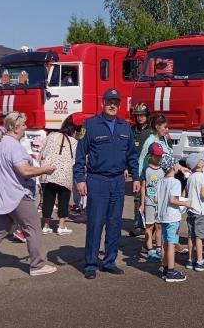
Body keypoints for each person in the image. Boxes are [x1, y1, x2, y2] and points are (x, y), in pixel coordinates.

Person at [0, 112, 58, 280]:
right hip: (16, 194)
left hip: (0, 195)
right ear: (16, 128)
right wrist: (45, 169)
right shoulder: (13, 146)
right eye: (23, 125)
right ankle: (37, 265)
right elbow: (25, 171)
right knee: (33, 227)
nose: (25, 127)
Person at [74, 88, 141, 280]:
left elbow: (132, 155)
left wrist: (136, 177)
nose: (113, 105)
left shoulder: (125, 127)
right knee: (95, 223)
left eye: (116, 102)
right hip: (97, 181)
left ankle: (110, 261)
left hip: (118, 181)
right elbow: (80, 155)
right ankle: (90, 264)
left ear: (120, 105)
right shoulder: (90, 124)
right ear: (103, 103)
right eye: (109, 102)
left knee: (115, 223)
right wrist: (80, 179)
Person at [39, 116, 79, 236]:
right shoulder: (74, 141)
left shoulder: (51, 136)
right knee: (63, 200)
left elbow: (43, 152)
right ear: (73, 131)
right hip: (64, 175)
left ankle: (45, 226)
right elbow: (75, 159)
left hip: (49, 173)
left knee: (48, 199)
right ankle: (61, 226)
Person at [156, 153, 190, 282]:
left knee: (165, 243)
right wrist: (186, 203)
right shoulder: (175, 182)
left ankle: (165, 268)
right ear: (172, 166)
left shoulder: (160, 181)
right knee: (171, 244)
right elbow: (173, 200)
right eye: (176, 163)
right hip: (172, 217)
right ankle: (171, 271)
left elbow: (155, 198)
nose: (178, 165)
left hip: (162, 216)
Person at [184, 152, 204, 272]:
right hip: (200, 211)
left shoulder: (190, 177)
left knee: (191, 236)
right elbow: (203, 194)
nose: (203, 160)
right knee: (200, 237)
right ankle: (200, 261)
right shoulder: (203, 177)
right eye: (200, 159)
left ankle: (190, 259)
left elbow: (186, 193)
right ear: (197, 164)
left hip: (190, 209)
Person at [130, 102, 152, 237]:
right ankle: (138, 224)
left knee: (152, 197)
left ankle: (151, 224)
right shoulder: (132, 130)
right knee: (138, 198)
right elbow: (128, 150)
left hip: (151, 168)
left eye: (142, 115)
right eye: (138, 115)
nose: (140, 118)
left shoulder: (152, 131)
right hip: (137, 170)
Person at [141, 143, 166, 262]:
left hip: (160, 203)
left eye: (161, 155)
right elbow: (143, 187)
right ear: (151, 155)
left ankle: (158, 248)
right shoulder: (146, 169)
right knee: (149, 226)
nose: (159, 158)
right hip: (149, 202)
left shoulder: (163, 169)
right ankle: (150, 250)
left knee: (159, 226)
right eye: (157, 156)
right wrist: (142, 204)